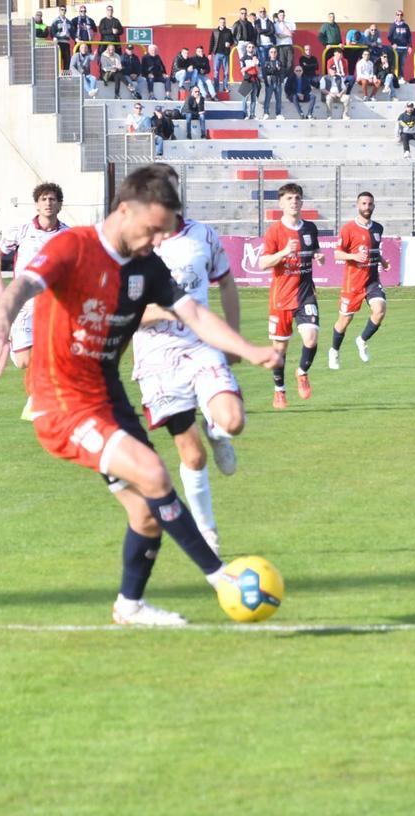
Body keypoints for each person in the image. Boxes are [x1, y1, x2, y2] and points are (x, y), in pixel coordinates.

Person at [0, 167, 280, 626]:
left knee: (145, 515)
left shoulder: (146, 267)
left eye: (164, 232)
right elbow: (22, 286)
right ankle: (221, 577)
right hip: (61, 402)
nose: (157, 240)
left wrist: (249, 350)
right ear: (125, 211)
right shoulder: (73, 247)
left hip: (107, 399)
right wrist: (0, 325)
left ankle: (130, 606)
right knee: (154, 473)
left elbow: (195, 314)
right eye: (151, 229)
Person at [131, 166, 246, 557]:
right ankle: (208, 533)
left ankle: (218, 431)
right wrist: (165, 312)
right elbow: (123, 310)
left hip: (201, 344)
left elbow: (226, 282)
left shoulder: (203, 235)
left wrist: (232, 336)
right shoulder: (135, 246)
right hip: (156, 358)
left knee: (233, 420)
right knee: (191, 455)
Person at [0, 182, 69, 401]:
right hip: (24, 304)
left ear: (59, 204)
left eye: (52, 199)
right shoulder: (22, 231)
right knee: (23, 361)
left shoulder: (69, 235)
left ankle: (41, 397)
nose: (48, 203)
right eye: (43, 199)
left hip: (55, 304)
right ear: (37, 204)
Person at [260, 183, 324, 408]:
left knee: (311, 338)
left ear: (302, 202)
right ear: (281, 203)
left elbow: (314, 249)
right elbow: (262, 263)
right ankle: (279, 390)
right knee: (279, 350)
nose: (293, 202)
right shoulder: (274, 231)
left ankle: (302, 372)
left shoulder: (310, 228)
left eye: (297, 198)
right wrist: (284, 252)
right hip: (281, 298)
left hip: (305, 294)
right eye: (289, 198)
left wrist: (318, 256)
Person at [328, 192, 390, 370]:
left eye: (370, 204)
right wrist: (354, 255)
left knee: (379, 310)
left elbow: (375, 251)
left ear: (373, 206)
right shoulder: (348, 229)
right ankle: (334, 351)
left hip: (371, 280)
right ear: (358, 206)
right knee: (344, 321)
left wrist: (383, 262)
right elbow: (337, 254)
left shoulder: (378, 228)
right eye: (364, 204)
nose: (367, 207)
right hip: (353, 283)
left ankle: (362, 340)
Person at [209, 17, 235, 93]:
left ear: (225, 23)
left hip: (226, 54)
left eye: (223, 22)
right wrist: (209, 53)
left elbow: (232, 41)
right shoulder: (215, 31)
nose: (222, 23)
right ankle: (216, 88)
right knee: (216, 72)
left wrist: (229, 44)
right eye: (221, 22)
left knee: (226, 72)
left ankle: (225, 87)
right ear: (219, 23)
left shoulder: (228, 31)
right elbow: (212, 42)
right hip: (217, 54)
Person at [388, 10, 413, 81]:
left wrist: (410, 46)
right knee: (395, 64)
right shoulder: (393, 26)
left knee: (402, 64)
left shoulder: (406, 26)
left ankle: (401, 77)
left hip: (404, 48)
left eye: (401, 15)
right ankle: (394, 78)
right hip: (396, 48)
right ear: (395, 15)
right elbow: (389, 36)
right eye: (398, 15)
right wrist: (393, 43)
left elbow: (409, 37)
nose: (399, 16)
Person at [261, 46, 284, 119]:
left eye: (274, 52)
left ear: (277, 53)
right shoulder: (266, 62)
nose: (273, 53)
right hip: (269, 82)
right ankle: (266, 113)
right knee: (267, 98)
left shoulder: (279, 62)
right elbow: (265, 72)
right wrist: (266, 82)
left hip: (277, 82)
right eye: (271, 52)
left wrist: (281, 80)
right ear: (269, 54)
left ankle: (278, 114)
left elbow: (281, 72)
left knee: (279, 99)